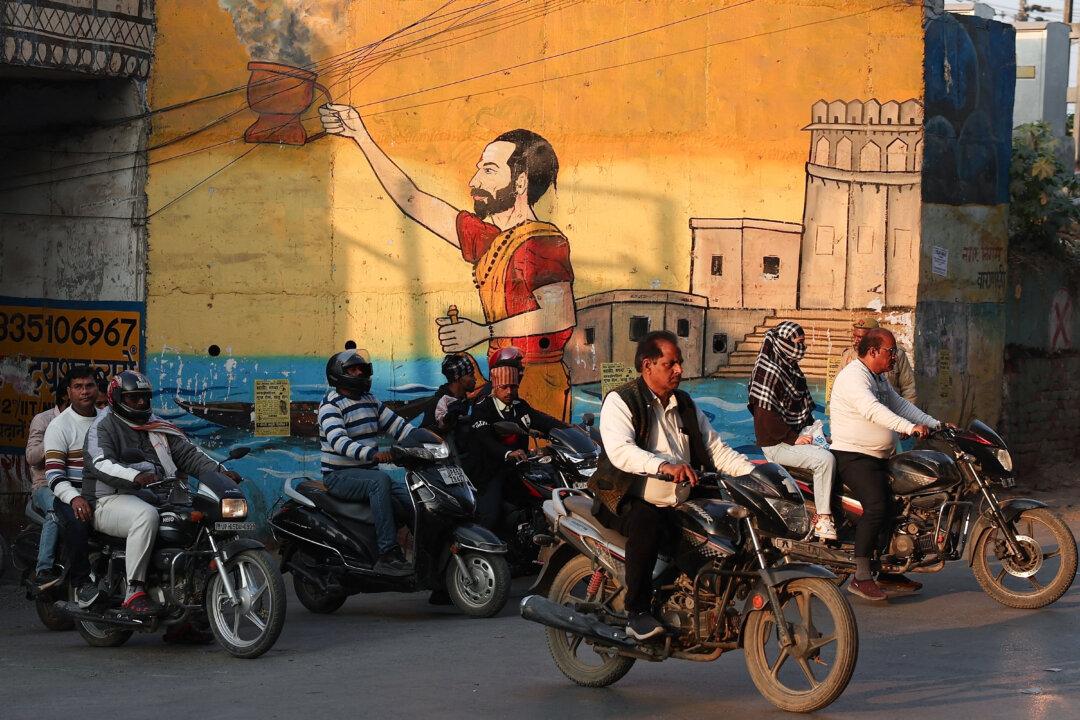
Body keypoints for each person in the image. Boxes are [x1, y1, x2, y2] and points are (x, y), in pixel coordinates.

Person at [320, 104, 577, 421]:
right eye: (478, 168)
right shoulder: (488, 239)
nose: (474, 180)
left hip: (538, 381)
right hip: (502, 377)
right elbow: (414, 200)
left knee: (537, 460)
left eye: (489, 170)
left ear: (521, 182)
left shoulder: (542, 242)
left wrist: (481, 332)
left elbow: (558, 314)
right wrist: (361, 134)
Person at [588, 331, 755, 640]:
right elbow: (621, 452)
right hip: (625, 494)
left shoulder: (686, 403)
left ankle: (697, 600)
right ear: (647, 365)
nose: (679, 370)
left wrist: (754, 475)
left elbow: (716, 450)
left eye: (680, 363)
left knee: (722, 525)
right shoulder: (621, 400)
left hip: (678, 495)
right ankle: (636, 611)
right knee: (647, 521)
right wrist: (663, 465)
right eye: (670, 363)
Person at [82, 370, 235, 615]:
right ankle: (134, 592)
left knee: (194, 526)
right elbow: (100, 463)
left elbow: (188, 455)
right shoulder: (103, 426)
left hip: (156, 496)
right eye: (134, 398)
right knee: (146, 517)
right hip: (108, 499)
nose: (141, 402)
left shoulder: (157, 426)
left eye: (145, 397)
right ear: (118, 398)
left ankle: (189, 610)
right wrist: (136, 476)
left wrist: (219, 472)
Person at [829, 327, 946, 602]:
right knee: (877, 506)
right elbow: (873, 410)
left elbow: (901, 405)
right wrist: (909, 428)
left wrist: (935, 424)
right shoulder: (854, 378)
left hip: (879, 456)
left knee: (900, 506)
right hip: (854, 456)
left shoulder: (878, 378)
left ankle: (889, 571)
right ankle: (861, 576)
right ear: (873, 352)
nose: (894, 357)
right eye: (890, 352)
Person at [319, 349, 415, 577]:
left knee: (411, 496)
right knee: (379, 481)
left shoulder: (370, 400)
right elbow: (339, 441)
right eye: (352, 369)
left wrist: (426, 439)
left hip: (366, 474)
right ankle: (387, 554)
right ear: (338, 375)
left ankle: (424, 551)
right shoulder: (330, 405)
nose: (359, 372)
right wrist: (372, 455)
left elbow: (399, 426)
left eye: (361, 368)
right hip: (339, 477)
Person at [748, 321, 836, 541]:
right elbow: (765, 417)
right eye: (798, 343)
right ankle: (823, 519)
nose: (802, 347)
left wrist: (816, 434)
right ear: (784, 342)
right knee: (824, 460)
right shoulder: (767, 371)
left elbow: (803, 407)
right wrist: (793, 438)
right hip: (776, 444)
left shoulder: (789, 368)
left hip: (794, 436)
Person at [465, 357, 568, 531]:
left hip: (519, 468)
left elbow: (542, 420)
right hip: (490, 471)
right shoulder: (483, 408)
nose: (509, 391)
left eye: (513, 387)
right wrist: (507, 453)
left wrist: (570, 429)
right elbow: (485, 439)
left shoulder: (520, 406)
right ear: (495, 388)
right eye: (504, 387)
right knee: (490, 515)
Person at [41, 367, 99, 606]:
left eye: (89, 386)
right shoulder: (59, 426)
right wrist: (74, 498)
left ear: (97, 389)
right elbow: (54, 474)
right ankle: (81, 582)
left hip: (104, 493)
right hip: (70, 495)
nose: (84, 392)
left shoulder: (108, 419)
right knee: (78, 523)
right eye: (78, 387)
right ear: (68, 392)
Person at [26, 379, 68, 590]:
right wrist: (54, 435)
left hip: (76, 485)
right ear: (65, 396)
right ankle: (43, 569)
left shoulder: (90, 420)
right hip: (45, 486)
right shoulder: (44, 420)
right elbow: (32, 457)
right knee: (56, 510)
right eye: (78, 389)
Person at [839, 318, 916, 403]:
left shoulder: (896, 354)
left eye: (861, 337)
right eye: (855, 336)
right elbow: (839, 387)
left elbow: (909, 388)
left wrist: (905, 414)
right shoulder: (848, 357)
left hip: (892, 411)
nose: (856, 341)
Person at [419, 353, 479, 440]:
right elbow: (426, 433)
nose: (475, 379)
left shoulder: (462, 399)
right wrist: (447, 420)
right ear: (459, 378)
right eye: (471, 375)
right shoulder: (438, 402)